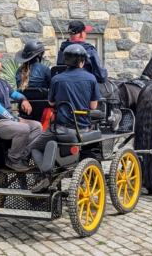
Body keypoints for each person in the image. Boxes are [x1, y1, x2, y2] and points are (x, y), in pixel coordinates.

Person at [31, 44, 102, 192]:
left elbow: (51, 103)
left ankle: (46, 173)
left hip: (60, 130)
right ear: (82, 62)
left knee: (35, 147)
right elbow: (94, 106)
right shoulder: (91, 78)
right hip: (82, 130)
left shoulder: (56, 79)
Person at [0, 51, 42, 172]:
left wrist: (24, 100)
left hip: (6, 120)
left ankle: (22, 156)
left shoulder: (1, 82)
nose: (0, 62)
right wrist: (16, 119)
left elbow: (16, 95)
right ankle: (13, 159)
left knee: (37, 126)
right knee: (23, 128)